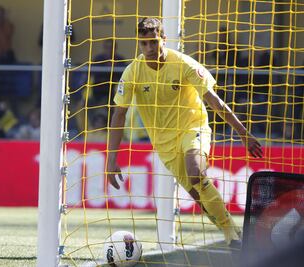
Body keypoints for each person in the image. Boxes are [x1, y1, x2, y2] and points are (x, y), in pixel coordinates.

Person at [106, 17, 263, 247]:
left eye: (154, 42)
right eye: (144, 43)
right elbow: (119, 115)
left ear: (164, 39)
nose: (149, 48)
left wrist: (243, 133)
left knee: (196, 172)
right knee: (199, 197)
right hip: (165, 144)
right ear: (139, 43)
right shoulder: (132, 73)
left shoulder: (183, 64)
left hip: (193, 127)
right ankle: (233, 236)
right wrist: (111, 158)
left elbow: (215, 101)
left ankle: (232, 234)